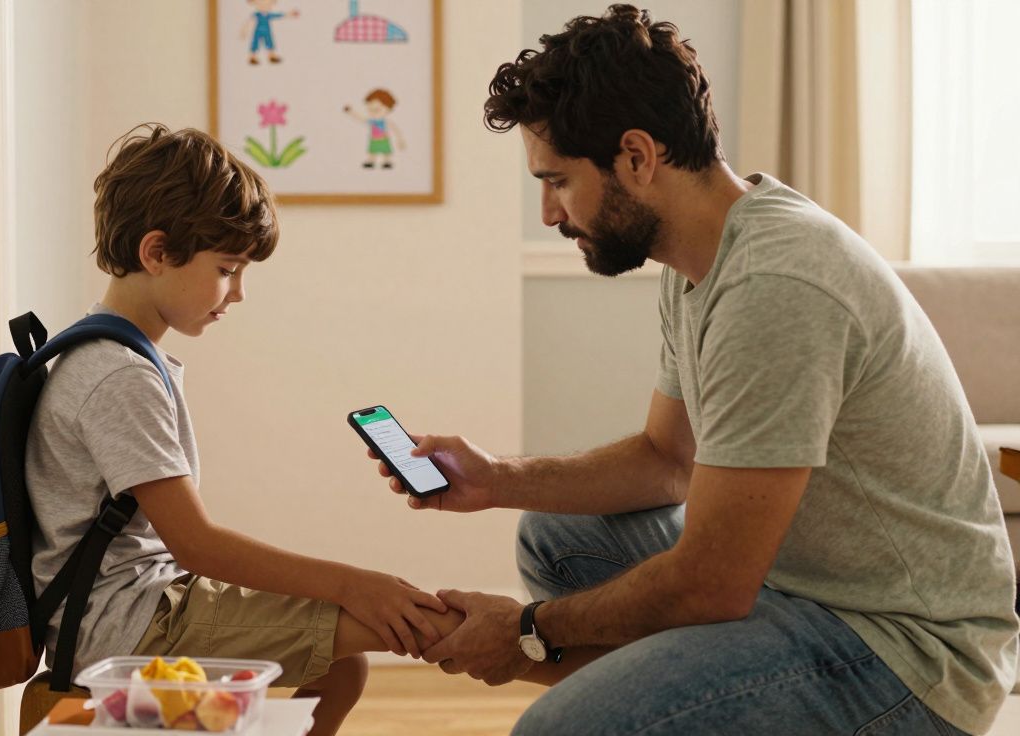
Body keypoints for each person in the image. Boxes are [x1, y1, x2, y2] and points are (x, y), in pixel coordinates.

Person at [366, 5, 1019, 734]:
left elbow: (712, 584)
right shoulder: (702, 258)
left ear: (638, 158)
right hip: (796, 588)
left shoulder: (777, 285)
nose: (550, 214)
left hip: (907, 653)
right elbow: (665, 460)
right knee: (556, 537)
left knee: (555, 731)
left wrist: (524, 633)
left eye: (558, 182)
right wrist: (496, 480)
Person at [25, 123, 461, 736]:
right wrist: (356, 584)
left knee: (339, 667)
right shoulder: (117, 375)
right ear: (156, 253)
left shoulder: (109, 355)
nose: (239, 292)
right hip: (128, 626)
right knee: (400, 626)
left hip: (144, 602)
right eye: (228, 268)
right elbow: (196, 544)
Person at [241, 0, 299, 65]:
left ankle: (271, 56)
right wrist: (244, 31)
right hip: (258, 32)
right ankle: (253, 57)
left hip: (267, 31)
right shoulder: (257, 15)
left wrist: (289, 14)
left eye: (268, 4)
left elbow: (279, 15)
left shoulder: (268, 15)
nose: (264, 6)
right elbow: (249, 22)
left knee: (269, 42)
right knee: (255, 43)